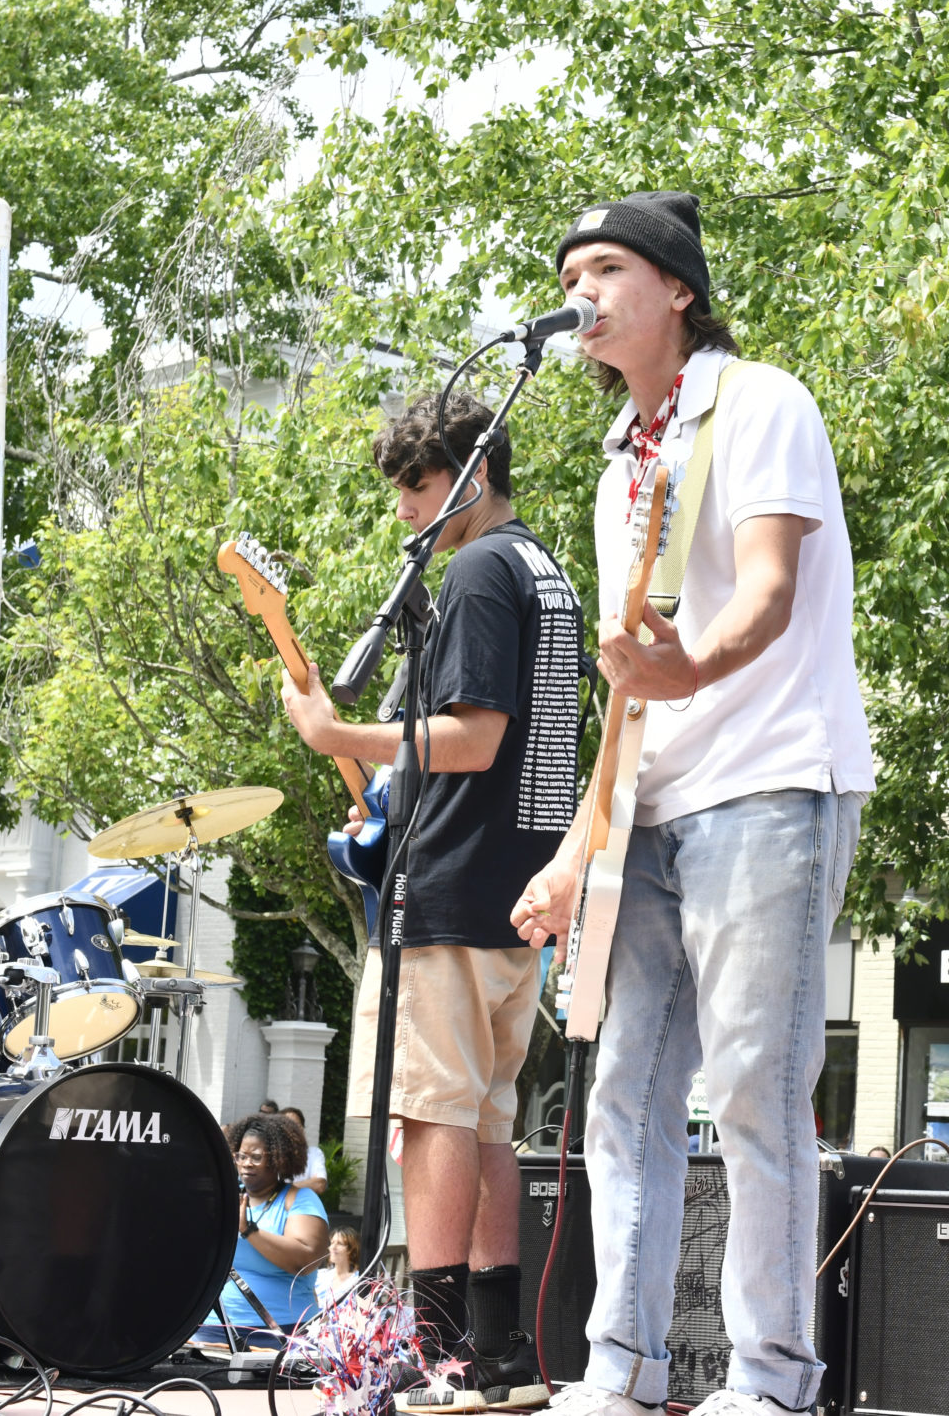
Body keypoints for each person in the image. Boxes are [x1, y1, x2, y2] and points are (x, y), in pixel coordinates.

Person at [513, 191, 875, 1416]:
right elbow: (625, 682)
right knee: (621, 1097)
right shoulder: (622, 457)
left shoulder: (760, 401)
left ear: (676, 288)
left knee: (755, 1090)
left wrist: (688, 671)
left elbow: (767, 591)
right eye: (571, 273)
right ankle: (619, 1370)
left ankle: (772, 1381)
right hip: (650, 812)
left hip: (771, 780)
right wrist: (578, 845)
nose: (582, 293)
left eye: (606, 268)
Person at [281, 392, 583, 1410]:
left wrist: (339, 740)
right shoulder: (546, 567)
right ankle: (496, 1354)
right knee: (486, 1120)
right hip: (522, 882)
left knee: (432, 1116)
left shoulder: (481, 567)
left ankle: (439, 1350)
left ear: (472, 470)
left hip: (457, 887)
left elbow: (474, 737)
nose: (405, 506)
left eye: (418, 482)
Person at [196, 1112, 330, 1349]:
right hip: (216, 1328)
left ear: (279, 1159)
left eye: (256, 1157)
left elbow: (305, 1260)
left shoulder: (299, 1199)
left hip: (282, 1331)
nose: (246, 1163)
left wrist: (249, 1231)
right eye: (241, 1156)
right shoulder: (227, 1196)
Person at [320, 1226, 367, 1310]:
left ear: (352, 1249)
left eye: (340, 1244)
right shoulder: (321, 1276)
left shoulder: (358, 1281)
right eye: (332, 1243)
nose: (333, 1247)